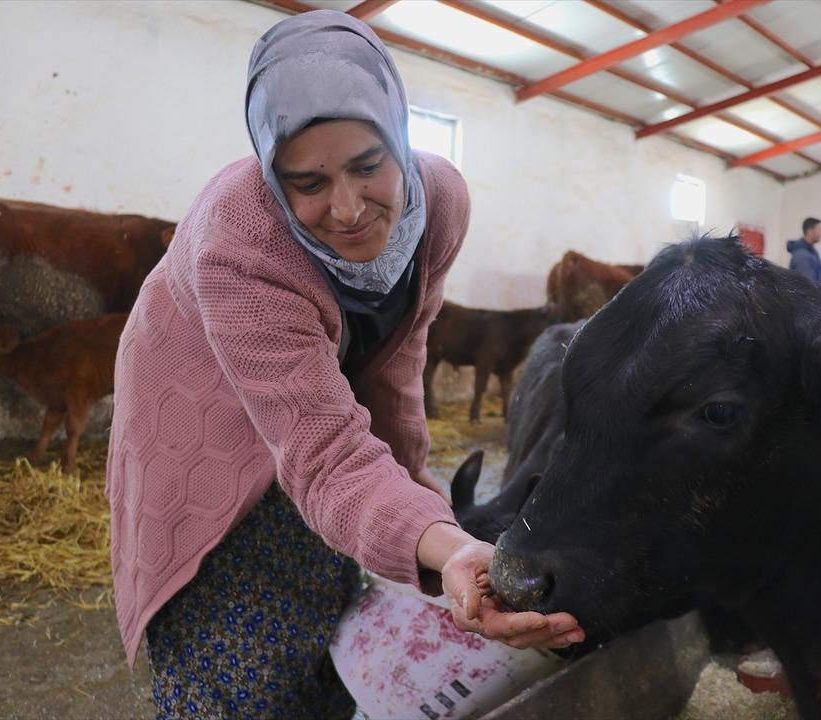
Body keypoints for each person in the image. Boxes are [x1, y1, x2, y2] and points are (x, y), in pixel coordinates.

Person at [105, 11, 583, 719]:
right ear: (272, 172)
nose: (350, 208)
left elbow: (396, 360)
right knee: (239, 664)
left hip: (313, 418)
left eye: (369, 166)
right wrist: (437, 543)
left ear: (400, 136)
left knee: (335, 626)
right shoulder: (239, 241)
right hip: (203, 424)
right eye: (308, 182)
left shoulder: (440, 203)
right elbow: (324, 457)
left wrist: (426, 514)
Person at [786, 217, 821, 283]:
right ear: (810, 232)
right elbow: (808, 289)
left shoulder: (811, 252)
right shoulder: (803, 255)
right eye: (820, 230)